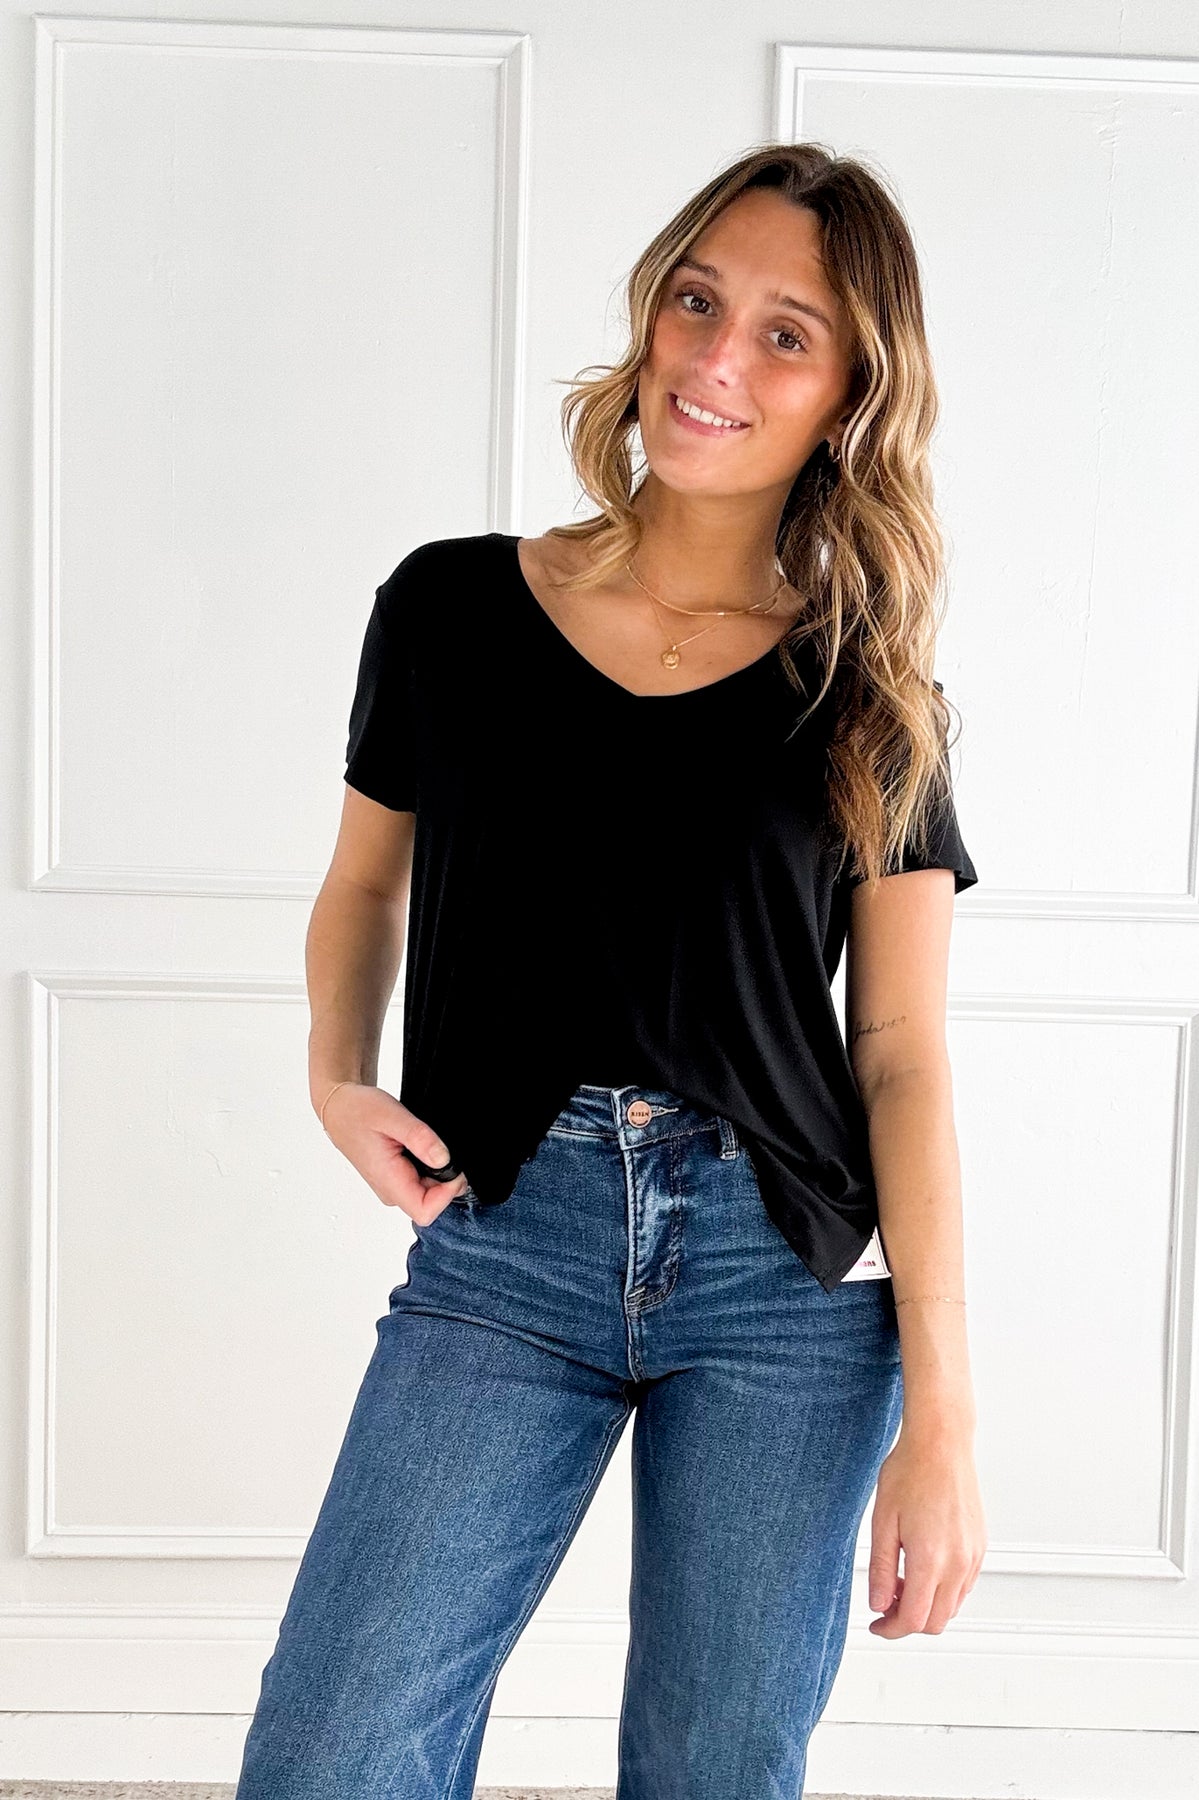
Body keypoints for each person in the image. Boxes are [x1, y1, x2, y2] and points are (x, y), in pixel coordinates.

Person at [235, 140, 988, 1799]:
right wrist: (336, 1075)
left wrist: (944, 1419)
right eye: (697, 302)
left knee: (716, 1769)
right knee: (334, 1749)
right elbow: (362, 885)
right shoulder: (449, 609)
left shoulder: (872, 692)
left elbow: (902, 1052)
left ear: (850, 398)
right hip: (508, 1236)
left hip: (781, 1282)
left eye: (787, 335)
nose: (717, 360)